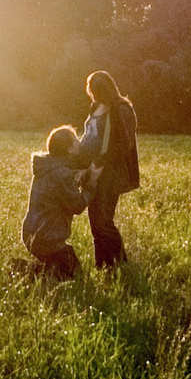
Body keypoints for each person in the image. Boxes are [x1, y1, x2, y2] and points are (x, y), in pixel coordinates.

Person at [72, 69, 139, 269]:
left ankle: (121, 264)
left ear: (106, 89)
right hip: (92, 169)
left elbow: (123, 145)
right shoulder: (96, 107)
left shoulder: (121, 109)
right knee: (95, 222)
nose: (92, 94)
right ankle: (101, 264)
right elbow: (89, 135)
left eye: (96, 90)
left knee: (104, 221)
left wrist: (99, 163)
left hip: (110, 172)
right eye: (91, 89)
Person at [19, 124, 91, 278]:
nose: (80, 142)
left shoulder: (48, 165)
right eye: (76, 141)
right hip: (47, 238)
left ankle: (29, 270)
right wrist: (92, 184)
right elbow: (77, 205)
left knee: (64, 269)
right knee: (73, 275)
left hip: (33, 232)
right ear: (70, 149)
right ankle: (22, 269)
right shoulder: (60, 174)